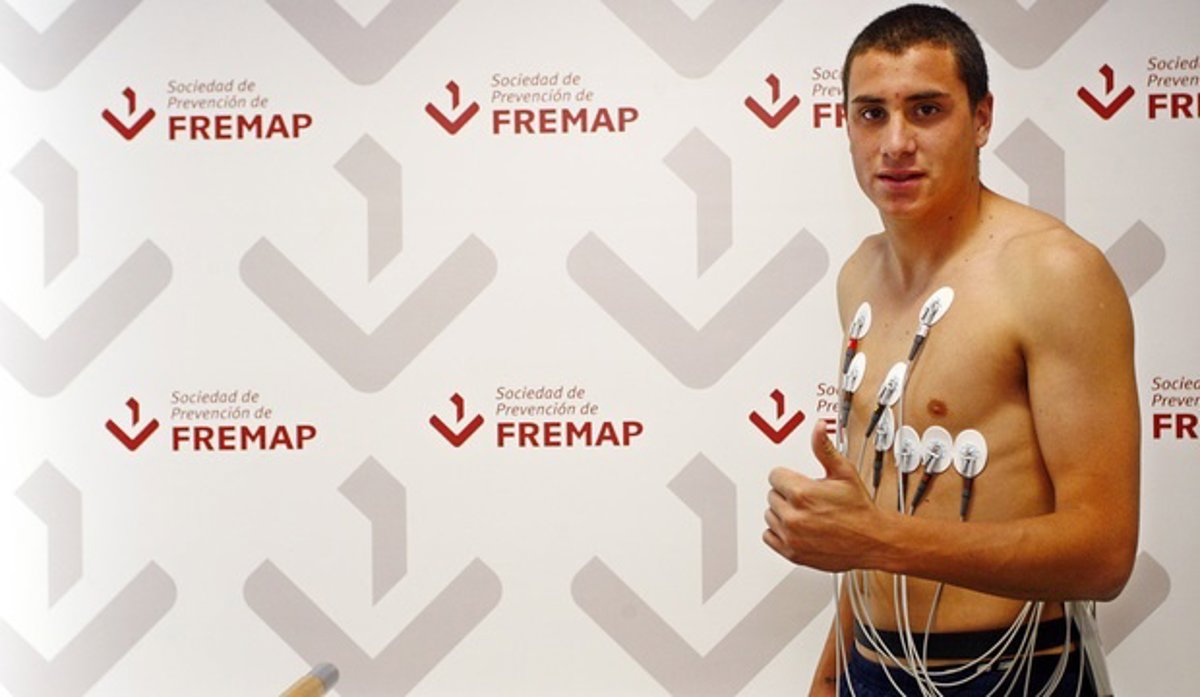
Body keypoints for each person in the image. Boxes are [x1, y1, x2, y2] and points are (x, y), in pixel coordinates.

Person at [762, 5, 1139, 696]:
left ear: (982, 118)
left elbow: (1104, 554)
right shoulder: (860, 274)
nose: (895, 142)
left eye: (926, 110)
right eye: (871, 114)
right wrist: (828, 679)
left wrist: (873, 539)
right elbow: (875, 507)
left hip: (1017, 672)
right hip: (872, 666)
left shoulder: (1054, 272)